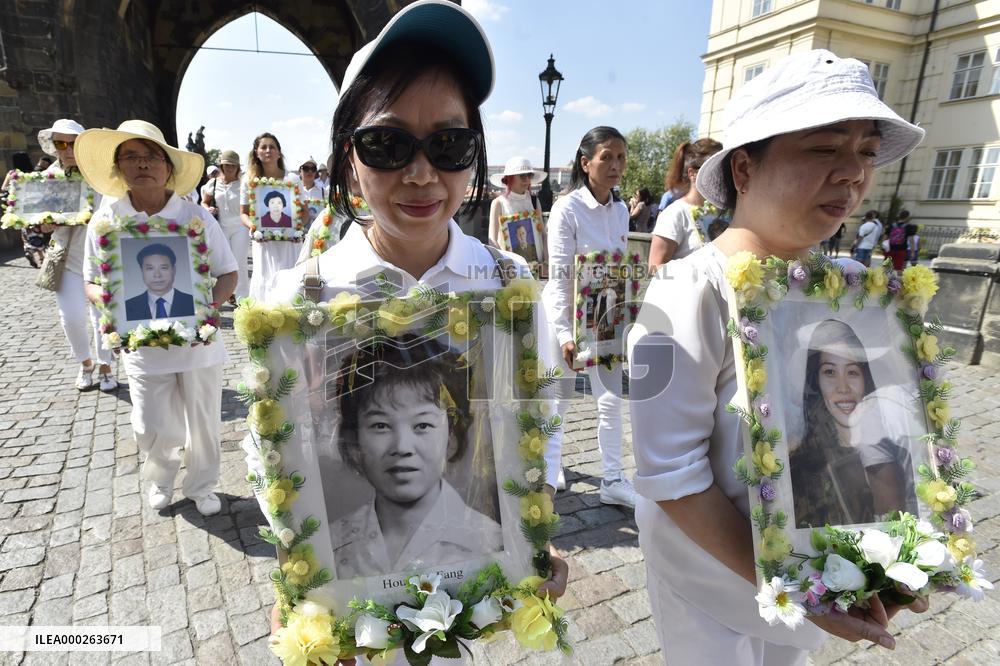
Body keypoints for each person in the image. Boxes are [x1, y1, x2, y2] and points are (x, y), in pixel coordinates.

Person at [256, 0, 567, 637]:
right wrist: (301, 569)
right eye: (388, 144)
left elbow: (541, 416)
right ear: (349, 157)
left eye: (449, 144)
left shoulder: (507, 287)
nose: (422, 173)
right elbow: (276, 451)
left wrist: (531, 526)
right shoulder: (299, 300)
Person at [628, 50, 929, 663]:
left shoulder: (849, 287)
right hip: (710, 592)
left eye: (867, 152)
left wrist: (890, 553)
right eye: (824, 148)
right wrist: (797, 588)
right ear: (744, 168)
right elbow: (672, 477)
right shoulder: (684, 290)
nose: (852, 174)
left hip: (804, 594)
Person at [77, 119, 237, 516]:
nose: (142, 164)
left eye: (151, 157)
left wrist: (206, 311)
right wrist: (113, 307)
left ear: (168, 167)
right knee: (151, 423)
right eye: (131, 157)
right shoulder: (107, 221)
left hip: (198, 346)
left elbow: (228, 272)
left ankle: (202, 485)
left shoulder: (196, 217)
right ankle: (161, 479)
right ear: (118, 168)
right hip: (142, 345)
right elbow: (90, 281)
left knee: (203, 423)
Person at [329, 338, 502, 578]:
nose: (402, 447)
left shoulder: (491, 542)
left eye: (422, 424)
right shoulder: (329, 545)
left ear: (451, 436)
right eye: (380, 425)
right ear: (355, 439)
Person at [543, 126, 638, 508]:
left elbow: (618, 270)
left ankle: (613, 479)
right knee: (560, 398)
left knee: (610, 399)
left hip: (605, 319)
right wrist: (566, 334)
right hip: (565, 316)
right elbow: (560, 275)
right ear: (586, 162)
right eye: (607, 157)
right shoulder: (567, 209)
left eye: (621, 158)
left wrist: (621, 323)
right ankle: (552, 468)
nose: (615, 165)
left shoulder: (620, 211)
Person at [36, 119, 117, 391]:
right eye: (61, 143)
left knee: (101, 315)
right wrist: (46, 223)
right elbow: (42, 214)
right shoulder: (50, 176)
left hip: (99, 259)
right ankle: (85, 363)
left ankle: (106, 364)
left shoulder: (100, 174)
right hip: (67, 259)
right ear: (54, 146)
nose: (67, 149)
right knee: (69, 317)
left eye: (73, 143)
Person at [648, 138, 724, 273]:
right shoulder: (675, 213)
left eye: (724, 169)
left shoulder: (724, 211)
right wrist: (697, 276)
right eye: (715, 170)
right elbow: (654, 268)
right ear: (693, 174)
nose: (722, 176)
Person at [240, 132, 300, 299]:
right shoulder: (249, 180)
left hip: (290, 243)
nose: (268, 150)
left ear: (279, 152)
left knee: (289, 282)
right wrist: (253, 227)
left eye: (272, 147)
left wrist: (298, 229)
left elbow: (304, 213)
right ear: (256, 153)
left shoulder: (293, 179)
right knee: (265, 282)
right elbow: (243, 214)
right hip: (264, 242)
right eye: (263, 147)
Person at [202, 150, 248, 302]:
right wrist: (207, 208)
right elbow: (204, 202)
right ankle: (225, 294)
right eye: (226, 165)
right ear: (221, 166)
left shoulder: (243, 183)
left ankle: (242, 299)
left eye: (233, 166)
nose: (230, 168)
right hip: (221, 227)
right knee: (222, 264)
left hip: (240, 227)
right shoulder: (213, 183)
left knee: (239, 262)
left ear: (238, 167)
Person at [487, 156, 545, 259]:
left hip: (537, 267)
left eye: (529, 175)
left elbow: (543, 234)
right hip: (510, 268)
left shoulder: (534, 200)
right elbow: (492, 240)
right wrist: (504, 265)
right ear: (510, 178)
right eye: (522, 175)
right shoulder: (498, 203)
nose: (527, 179)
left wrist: (546, 261)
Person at [123, 243, 195, 320]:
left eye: (163, 268)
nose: (157, 275)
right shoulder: (127, 307)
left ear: (173, 270)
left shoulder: (193, 303)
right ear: (142, 271)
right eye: (150, 268)